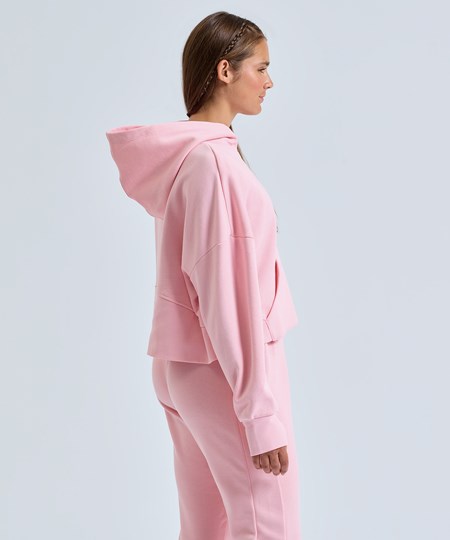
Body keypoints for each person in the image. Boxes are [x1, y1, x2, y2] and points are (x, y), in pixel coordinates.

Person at [106, 10, 301, 540]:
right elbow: (227, 294)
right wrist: (258, 413)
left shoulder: (187, 160)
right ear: (225, 70)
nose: (269, 82)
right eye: (261, 68)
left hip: (187, 365)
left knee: (206, 528)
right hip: (225, 371)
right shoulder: (214, 167)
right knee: (268, 523)